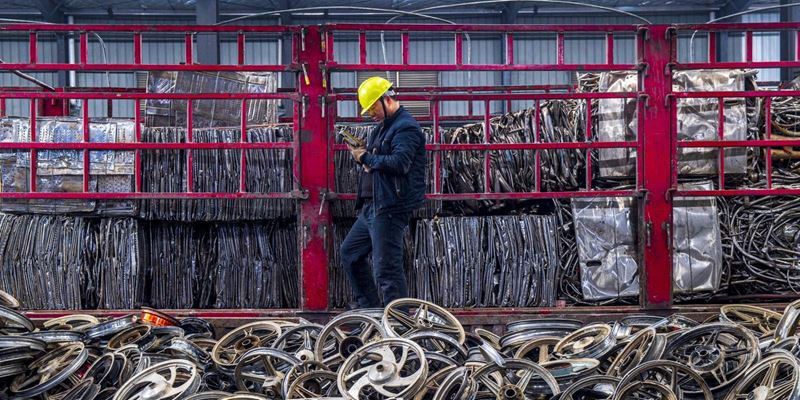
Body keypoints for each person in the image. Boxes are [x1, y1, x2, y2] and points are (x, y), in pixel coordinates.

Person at [340, 76, 427, 308]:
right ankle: (370, 312)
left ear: (386, 99)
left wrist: (366, 157)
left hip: (389, 208)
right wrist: (365, 155)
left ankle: (398, 325)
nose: (371, 114)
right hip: (372, 207)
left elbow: (400, 163)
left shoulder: (406, 127)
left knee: (386, 270)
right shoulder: (382, 129)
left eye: (372, 108)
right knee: (350, 254)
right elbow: (381, 161)